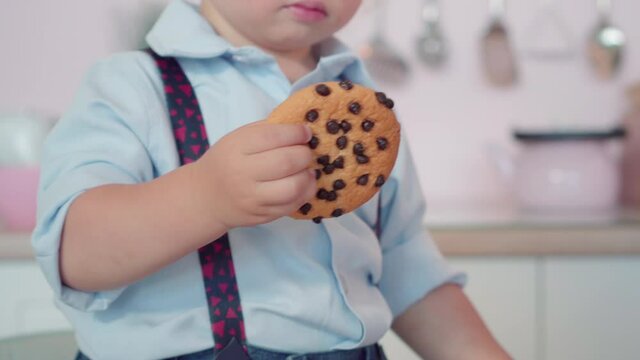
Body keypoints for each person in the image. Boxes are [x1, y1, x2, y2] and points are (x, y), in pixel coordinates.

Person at [32, 0, 511, 359]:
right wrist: (204, 199)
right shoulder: (130, 87)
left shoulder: (366, 111)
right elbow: (75, 255)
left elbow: (408, 272)